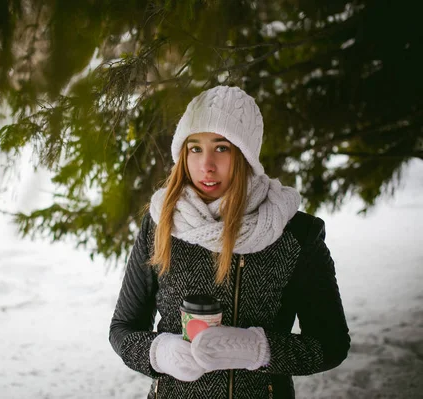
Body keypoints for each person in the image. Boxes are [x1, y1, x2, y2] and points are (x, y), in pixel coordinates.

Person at [109, 85, 350, 398]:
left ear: (246, 153)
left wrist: (258, 350)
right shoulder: (161, 224)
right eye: (195, 148)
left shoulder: (295, 233)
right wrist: (159, 352)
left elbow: (331, 344)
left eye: (222, 148)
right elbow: (123, 329)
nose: (206, 165)